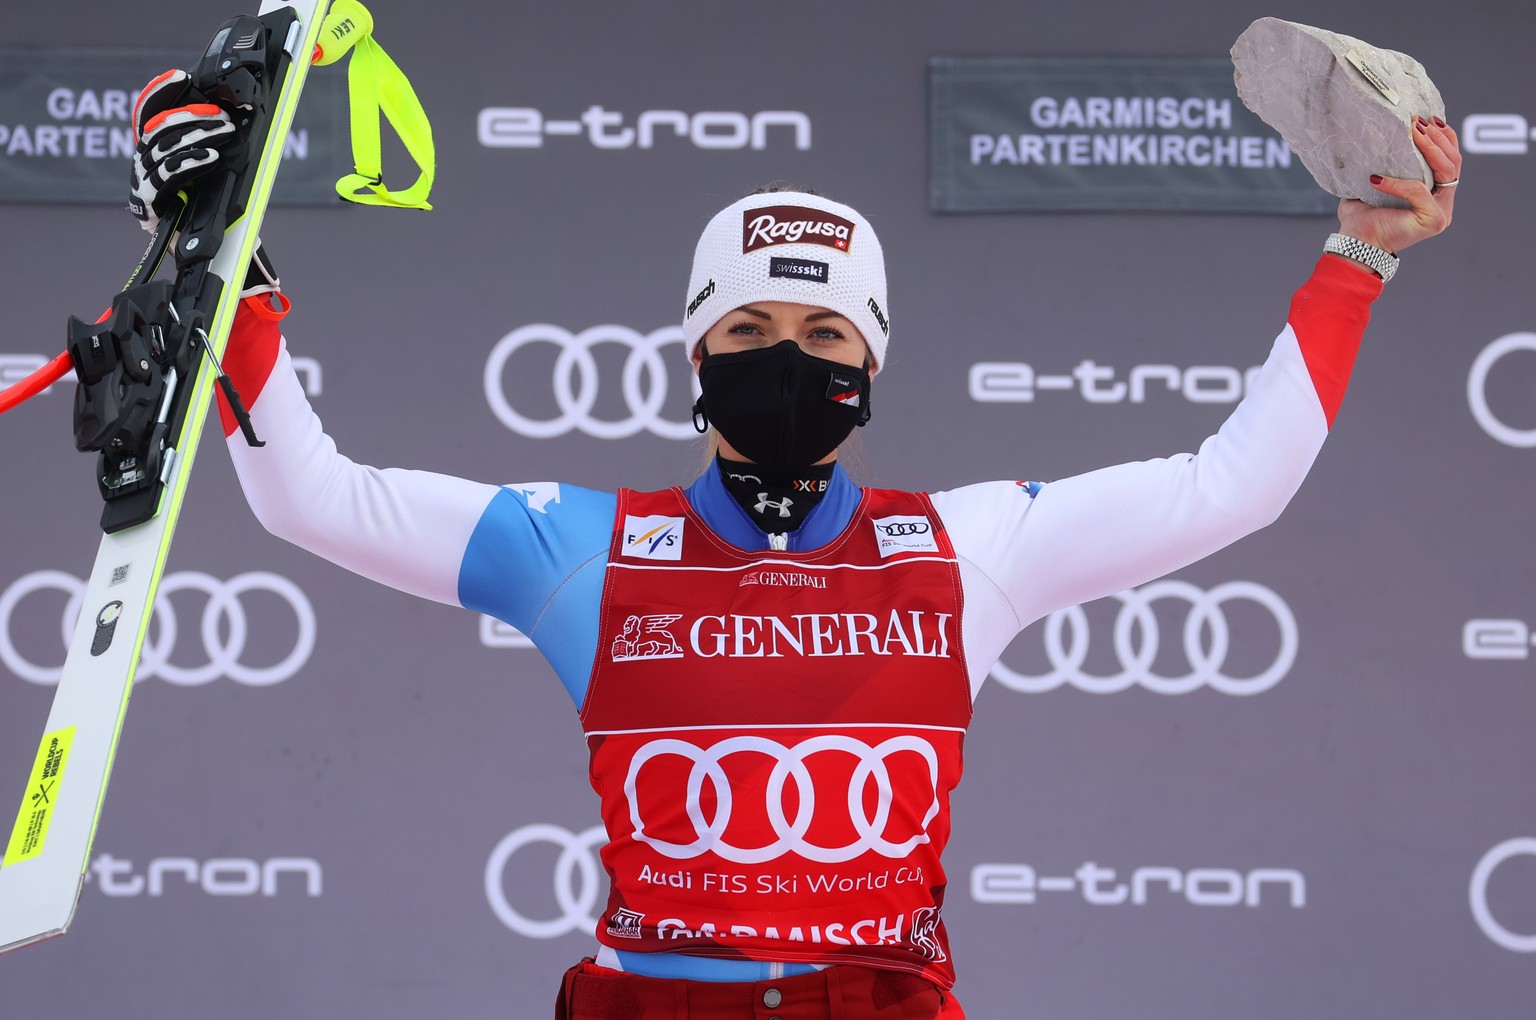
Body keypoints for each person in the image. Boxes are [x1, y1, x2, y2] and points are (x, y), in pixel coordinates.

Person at [128, 71, 1460, 1019]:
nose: (787, 359)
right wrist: (221, 269)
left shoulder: (968, 549)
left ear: (870, 367)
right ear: (697, 356)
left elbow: (1239, 482)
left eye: (826, 338)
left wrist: (1360, 257)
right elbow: (312, 499)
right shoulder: (583, 550)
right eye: (750, 334)